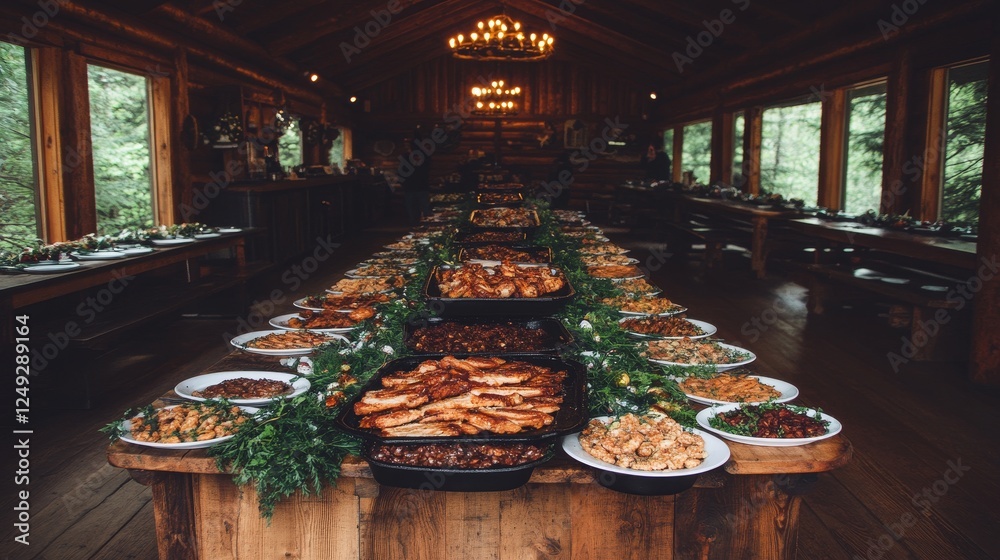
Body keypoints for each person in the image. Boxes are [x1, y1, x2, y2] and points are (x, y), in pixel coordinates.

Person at [399, 137, 432, 226]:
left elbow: (401, 172)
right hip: (416, 187)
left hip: (415, 187)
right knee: (419, 210)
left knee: (416, 210)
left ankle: (420, 227)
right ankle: (421, 227)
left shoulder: (408, 157)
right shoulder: (424, 156)